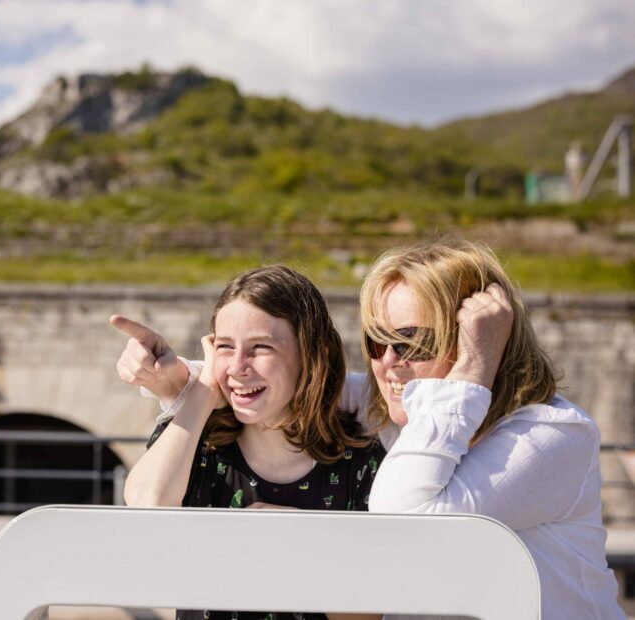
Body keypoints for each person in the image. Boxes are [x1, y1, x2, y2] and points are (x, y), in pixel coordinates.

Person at [115, 240, 624, 620]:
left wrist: (472, 372)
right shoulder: (400, 406)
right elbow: (288, 382)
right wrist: (183, 375)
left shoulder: (552, 435)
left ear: (483, 347)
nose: (389, 363)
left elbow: (404, 521)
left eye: (414, 342)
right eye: (376, 341)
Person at [113, 264, 384, 620]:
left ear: (313, 355)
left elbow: (367, 615)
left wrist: (303, 542)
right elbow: (148, 505)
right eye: (225, 347)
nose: (238, 366)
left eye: (260, 347)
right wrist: (204, 391)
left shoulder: (360, 459)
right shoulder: (200, 440)